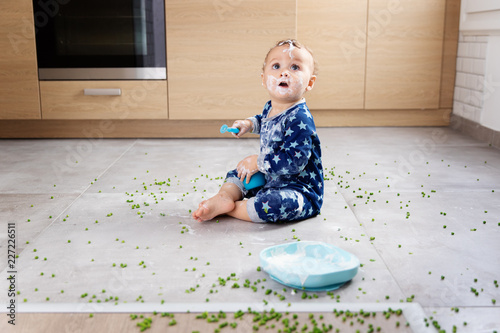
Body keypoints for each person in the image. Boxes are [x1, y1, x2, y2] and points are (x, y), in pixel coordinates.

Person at [192, 39, 323, 223]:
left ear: (310, 82)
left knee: (272, 204)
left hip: (298, 190)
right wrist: (249, 124)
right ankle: (225, 196)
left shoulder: (300, 118)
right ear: (263, 79)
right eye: (276, 66)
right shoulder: (271, 106)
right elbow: (265, 120)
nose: (284, 72)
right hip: (272, 178)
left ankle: (234, 209)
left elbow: (295, 161)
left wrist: (259, 162)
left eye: (295, 67)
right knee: (240, 172)